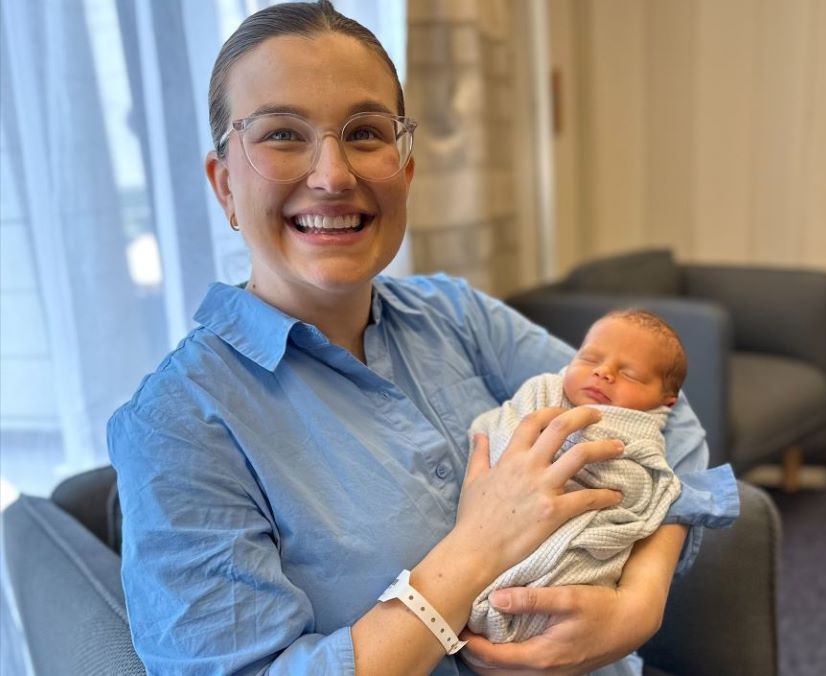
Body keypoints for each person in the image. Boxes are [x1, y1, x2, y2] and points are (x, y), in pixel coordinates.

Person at [106, 2, 739, 675]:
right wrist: (477, 546)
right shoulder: (179, 425)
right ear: (225, 184)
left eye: (365, 132)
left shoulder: (457, 315)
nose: (333, 175)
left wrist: (637, 608)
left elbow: (661, 416)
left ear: (405, 169)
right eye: (283, 135)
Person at [468, 310, 720, 644]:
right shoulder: (544, 391)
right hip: (494, 531)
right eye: (589, 359)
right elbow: (501, 435)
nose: (603, 372)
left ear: (665, 402)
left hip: (580, 546)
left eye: (630, 374)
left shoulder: (644, 436)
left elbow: (640, 490)